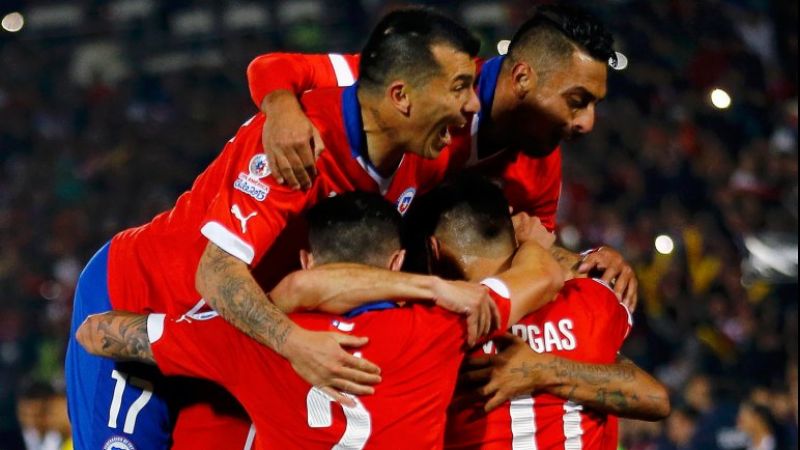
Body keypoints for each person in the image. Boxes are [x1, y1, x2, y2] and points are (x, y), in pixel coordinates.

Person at [65, 8, 498, 449]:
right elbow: (215, 273)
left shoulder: (417, 150)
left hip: (233, 341)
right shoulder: (297, 146)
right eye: (460, 88)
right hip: (142, 298)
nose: (474, 104)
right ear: (401, 96)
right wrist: (295, 343)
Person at [245, 3, 639, 307]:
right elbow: (272, 67)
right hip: (285, 276)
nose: (588, 123)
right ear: (522, 78)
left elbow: (531, 250)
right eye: (577, 101)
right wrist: (281, 111)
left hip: (404, 308)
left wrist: (588, 262)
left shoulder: (541, 161)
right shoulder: (434, 90)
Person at [77, 192, 515, 450]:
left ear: (306, 260)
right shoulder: (441, 328)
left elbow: (95, 333)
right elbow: (541, 278)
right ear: (398, 263)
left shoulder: (249, 337)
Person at [406, 175, 669, 449]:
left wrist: (540, 369)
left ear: (433, 250)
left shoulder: (442, 323)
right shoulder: (592, 299)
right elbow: (655, 400)